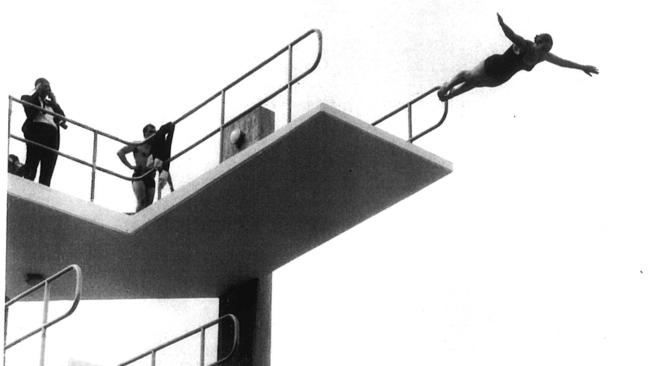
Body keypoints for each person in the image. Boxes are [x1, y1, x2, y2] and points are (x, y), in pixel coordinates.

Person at [437, 13, 599, 101]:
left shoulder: (543, 57)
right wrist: (502, 24)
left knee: (476, 83)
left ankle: (450, 96)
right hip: (494, 64)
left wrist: (582, 67)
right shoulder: (525, 45)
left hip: (501, 77)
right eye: (542, 48)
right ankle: (447, 87)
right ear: (537, 42)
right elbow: (511, 35)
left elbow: (563, 62)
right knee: (469, 76)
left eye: (546, 50)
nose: (542, 53)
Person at [20, 78, 68, 186]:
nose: (47, 88)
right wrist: (38, 94)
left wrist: (54, 103)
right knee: (31, 168)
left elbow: (63, 119)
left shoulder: (52, 105)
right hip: (37, 133)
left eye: (48, 86)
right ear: (37, 87)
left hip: (52, 137)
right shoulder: (28, 98)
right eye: (44, 86)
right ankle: (26, 189)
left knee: (46, 174)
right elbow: (31, 112)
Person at [117, 124, 157, 212]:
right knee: (142, 201)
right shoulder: (138, 144)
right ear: (145, 134)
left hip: (150, 177)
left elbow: (164, 163)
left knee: (149, 206)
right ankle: (137, 221)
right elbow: (120, 152)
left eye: (155, 132)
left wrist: (170, 185)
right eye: (151, 132)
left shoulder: (156, 148)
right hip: (139, 175)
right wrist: (130, 166)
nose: (153, 134)